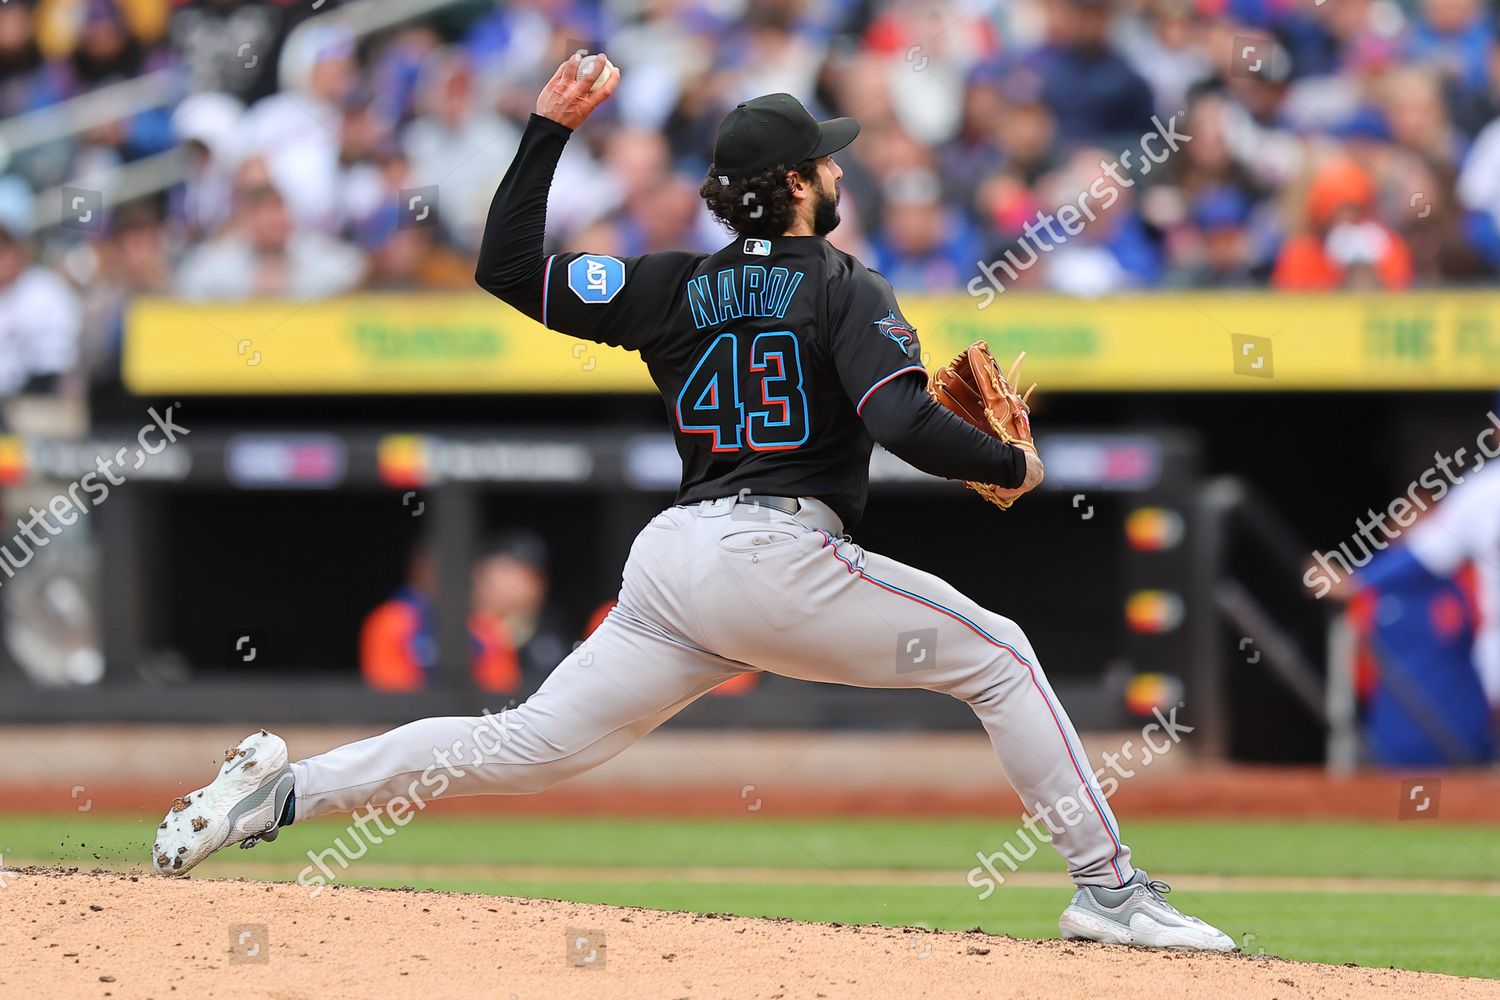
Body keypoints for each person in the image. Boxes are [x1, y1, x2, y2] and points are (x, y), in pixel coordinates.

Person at [150, 55, 1235, 952]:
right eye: (826, 158)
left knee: (529, 742)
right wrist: (1009, 469)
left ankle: (285, 795)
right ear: (802, 185)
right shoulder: (843, 283)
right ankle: (1109, 890)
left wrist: (545, 130)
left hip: (674, 562)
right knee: (997, 654)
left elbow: (506, 266)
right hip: (777, 555)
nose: (836, 170)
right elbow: (903, 424)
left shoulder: (671, 282)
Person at [359, 542, 521, 695]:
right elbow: (391, 693)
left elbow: (501, 692)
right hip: (410, 721)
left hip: (475, 721)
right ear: (419, 569)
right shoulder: (390, 620)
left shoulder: (486, 626)